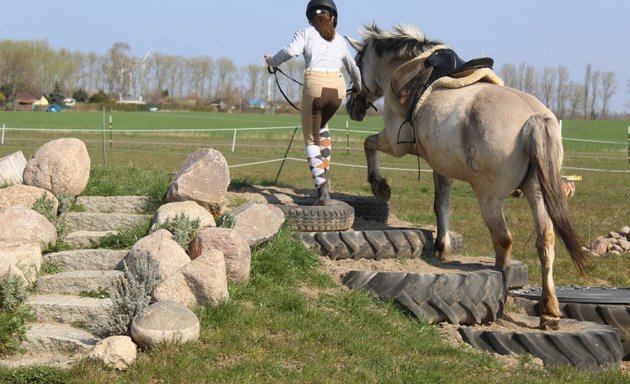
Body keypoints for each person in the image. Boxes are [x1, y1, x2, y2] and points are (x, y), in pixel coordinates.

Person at [265, 0, 362, 206]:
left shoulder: (305, 33)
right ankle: (324, 173)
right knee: (323, 128)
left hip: (315, 86)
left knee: (310, 139)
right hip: (338, 89)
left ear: (310, 18)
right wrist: (360, 88)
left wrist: (271, 61)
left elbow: (291, 52)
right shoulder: (339, 40)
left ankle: (322, 188)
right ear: (333, 17)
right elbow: (353, 68)